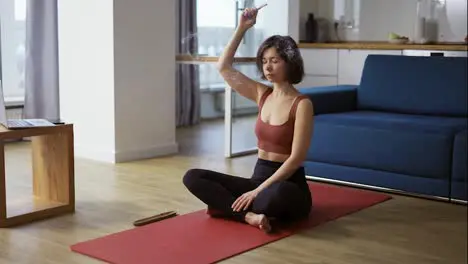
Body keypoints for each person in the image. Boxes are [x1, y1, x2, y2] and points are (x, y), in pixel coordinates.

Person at [182, 7, 314, 233]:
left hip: (288, 185)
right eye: (264, 61)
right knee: (193, 177)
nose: (268, 67)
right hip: (258, 178)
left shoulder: (302, 104)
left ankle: (227, 207)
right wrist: (242, 27)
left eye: (275, 60)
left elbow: (296, 159)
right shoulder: (261, 94)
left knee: (270, 199)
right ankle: (249, 216)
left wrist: (255, 192)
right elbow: (223, 67)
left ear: (290, 63)